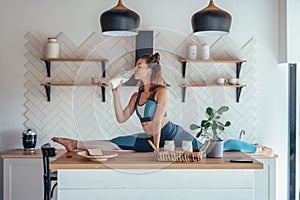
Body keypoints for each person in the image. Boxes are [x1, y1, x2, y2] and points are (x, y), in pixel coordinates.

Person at [52, 53, 274, 157]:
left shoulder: (162, 91)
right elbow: (121, 118)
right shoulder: (136, 95)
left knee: (209, 148)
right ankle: (75, 143)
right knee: (117, 142)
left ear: (150, 70)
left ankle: (257, 149)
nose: (135, 69)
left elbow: (157, 120)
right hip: (152, 137)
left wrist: (157, 146)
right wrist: (116, 94)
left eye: (139, 66)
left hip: (173, 134)